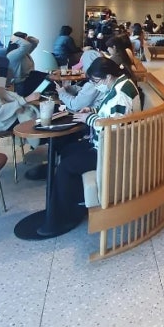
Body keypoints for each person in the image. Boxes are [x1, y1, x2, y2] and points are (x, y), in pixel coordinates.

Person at [50, 57, 140, 228]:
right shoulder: (120, 85)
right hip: (108, 144)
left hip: (111, 150)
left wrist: (89, 118)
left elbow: (114, 127)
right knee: (67, 151)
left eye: (96, 81)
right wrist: (92, 110)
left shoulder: (121, 94)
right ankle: (77, 203)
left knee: (66, 166)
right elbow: (112, 112)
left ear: (108, 76)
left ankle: (63, 218)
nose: (96, 85)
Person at [5, 31, 50, 96]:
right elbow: (26, 45)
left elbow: (35, 41)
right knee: (48, 80)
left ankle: (38, 95)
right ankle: (36, 95)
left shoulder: (24, 53)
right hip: (22, 84)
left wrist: (27, 38)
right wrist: (15, 38)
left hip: (30, 79)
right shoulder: (12, 54)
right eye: (25, 40)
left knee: (48, 79)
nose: (27, 42)